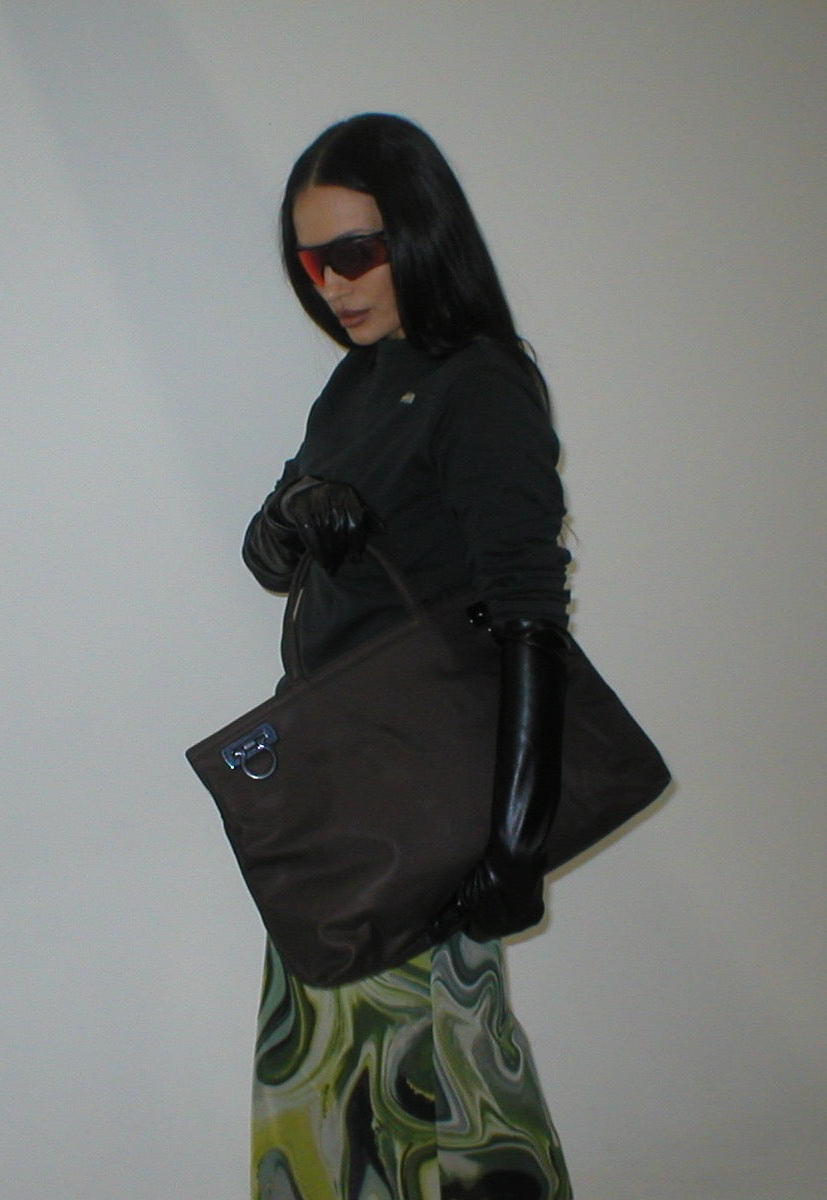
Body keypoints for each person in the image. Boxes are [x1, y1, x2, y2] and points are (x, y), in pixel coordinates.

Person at [242, 113, 573, 1200]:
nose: (332, 285)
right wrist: (296, 508)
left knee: (448, 1102)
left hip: (427, 807)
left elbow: (529, 616)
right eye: (310, 263)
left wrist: (517, 839)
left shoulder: (480, 384)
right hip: (334, 791)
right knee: (329, 1085)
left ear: (422, 235)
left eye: (354, 252)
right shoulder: (354, 385)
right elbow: (266, 557)